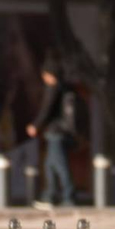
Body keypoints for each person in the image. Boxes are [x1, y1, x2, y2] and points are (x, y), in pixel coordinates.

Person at [26, 57, 77, 208]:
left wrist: (35, 125)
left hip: (56, 132)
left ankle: (68, 196)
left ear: (49, 74)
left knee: (59, 165)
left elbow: (46, 110)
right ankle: (50, 195)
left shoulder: (54, 89)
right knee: (50, 165)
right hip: (58, 132)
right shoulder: (64, 89)